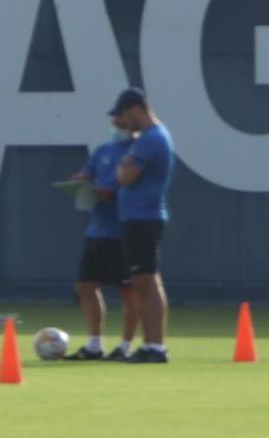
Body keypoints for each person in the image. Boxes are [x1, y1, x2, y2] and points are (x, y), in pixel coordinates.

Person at [66, 112, 140, 360]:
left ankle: (125, 346)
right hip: (97, 229)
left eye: (122, 121)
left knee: (128, 290)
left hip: (123, 231)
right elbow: (88, 174)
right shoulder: (103, 150)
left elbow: (136, 186)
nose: (116, 126)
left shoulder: (139, 151)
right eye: (115, 121)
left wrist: (111, 193)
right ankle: (94, 344)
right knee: (85, 285)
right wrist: (80, 180)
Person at [112, 87, 174, 363]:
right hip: (140, 218)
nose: (124, 123)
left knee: (147, 283)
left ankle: (156, 347)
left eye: (125, 115)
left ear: (136, 109)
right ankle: (150, 345)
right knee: (144, 282)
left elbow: (126, 176)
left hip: (144, 219)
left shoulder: (151, 139)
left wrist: (122, 165)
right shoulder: (148, 138)